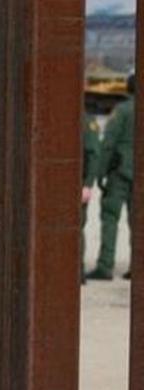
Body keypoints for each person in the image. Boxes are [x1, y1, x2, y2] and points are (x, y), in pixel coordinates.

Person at [91, 73, 135, 281]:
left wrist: (99, 173)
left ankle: (105, 265)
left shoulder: (123, 111)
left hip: (121, 172)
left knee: (110, 218)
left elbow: (108, 144)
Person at [81, 110, 102, 283]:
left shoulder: (86, 121)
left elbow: (94, 154)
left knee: (75, 228)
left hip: (77, 185)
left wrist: (88, 184)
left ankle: (76, 270)